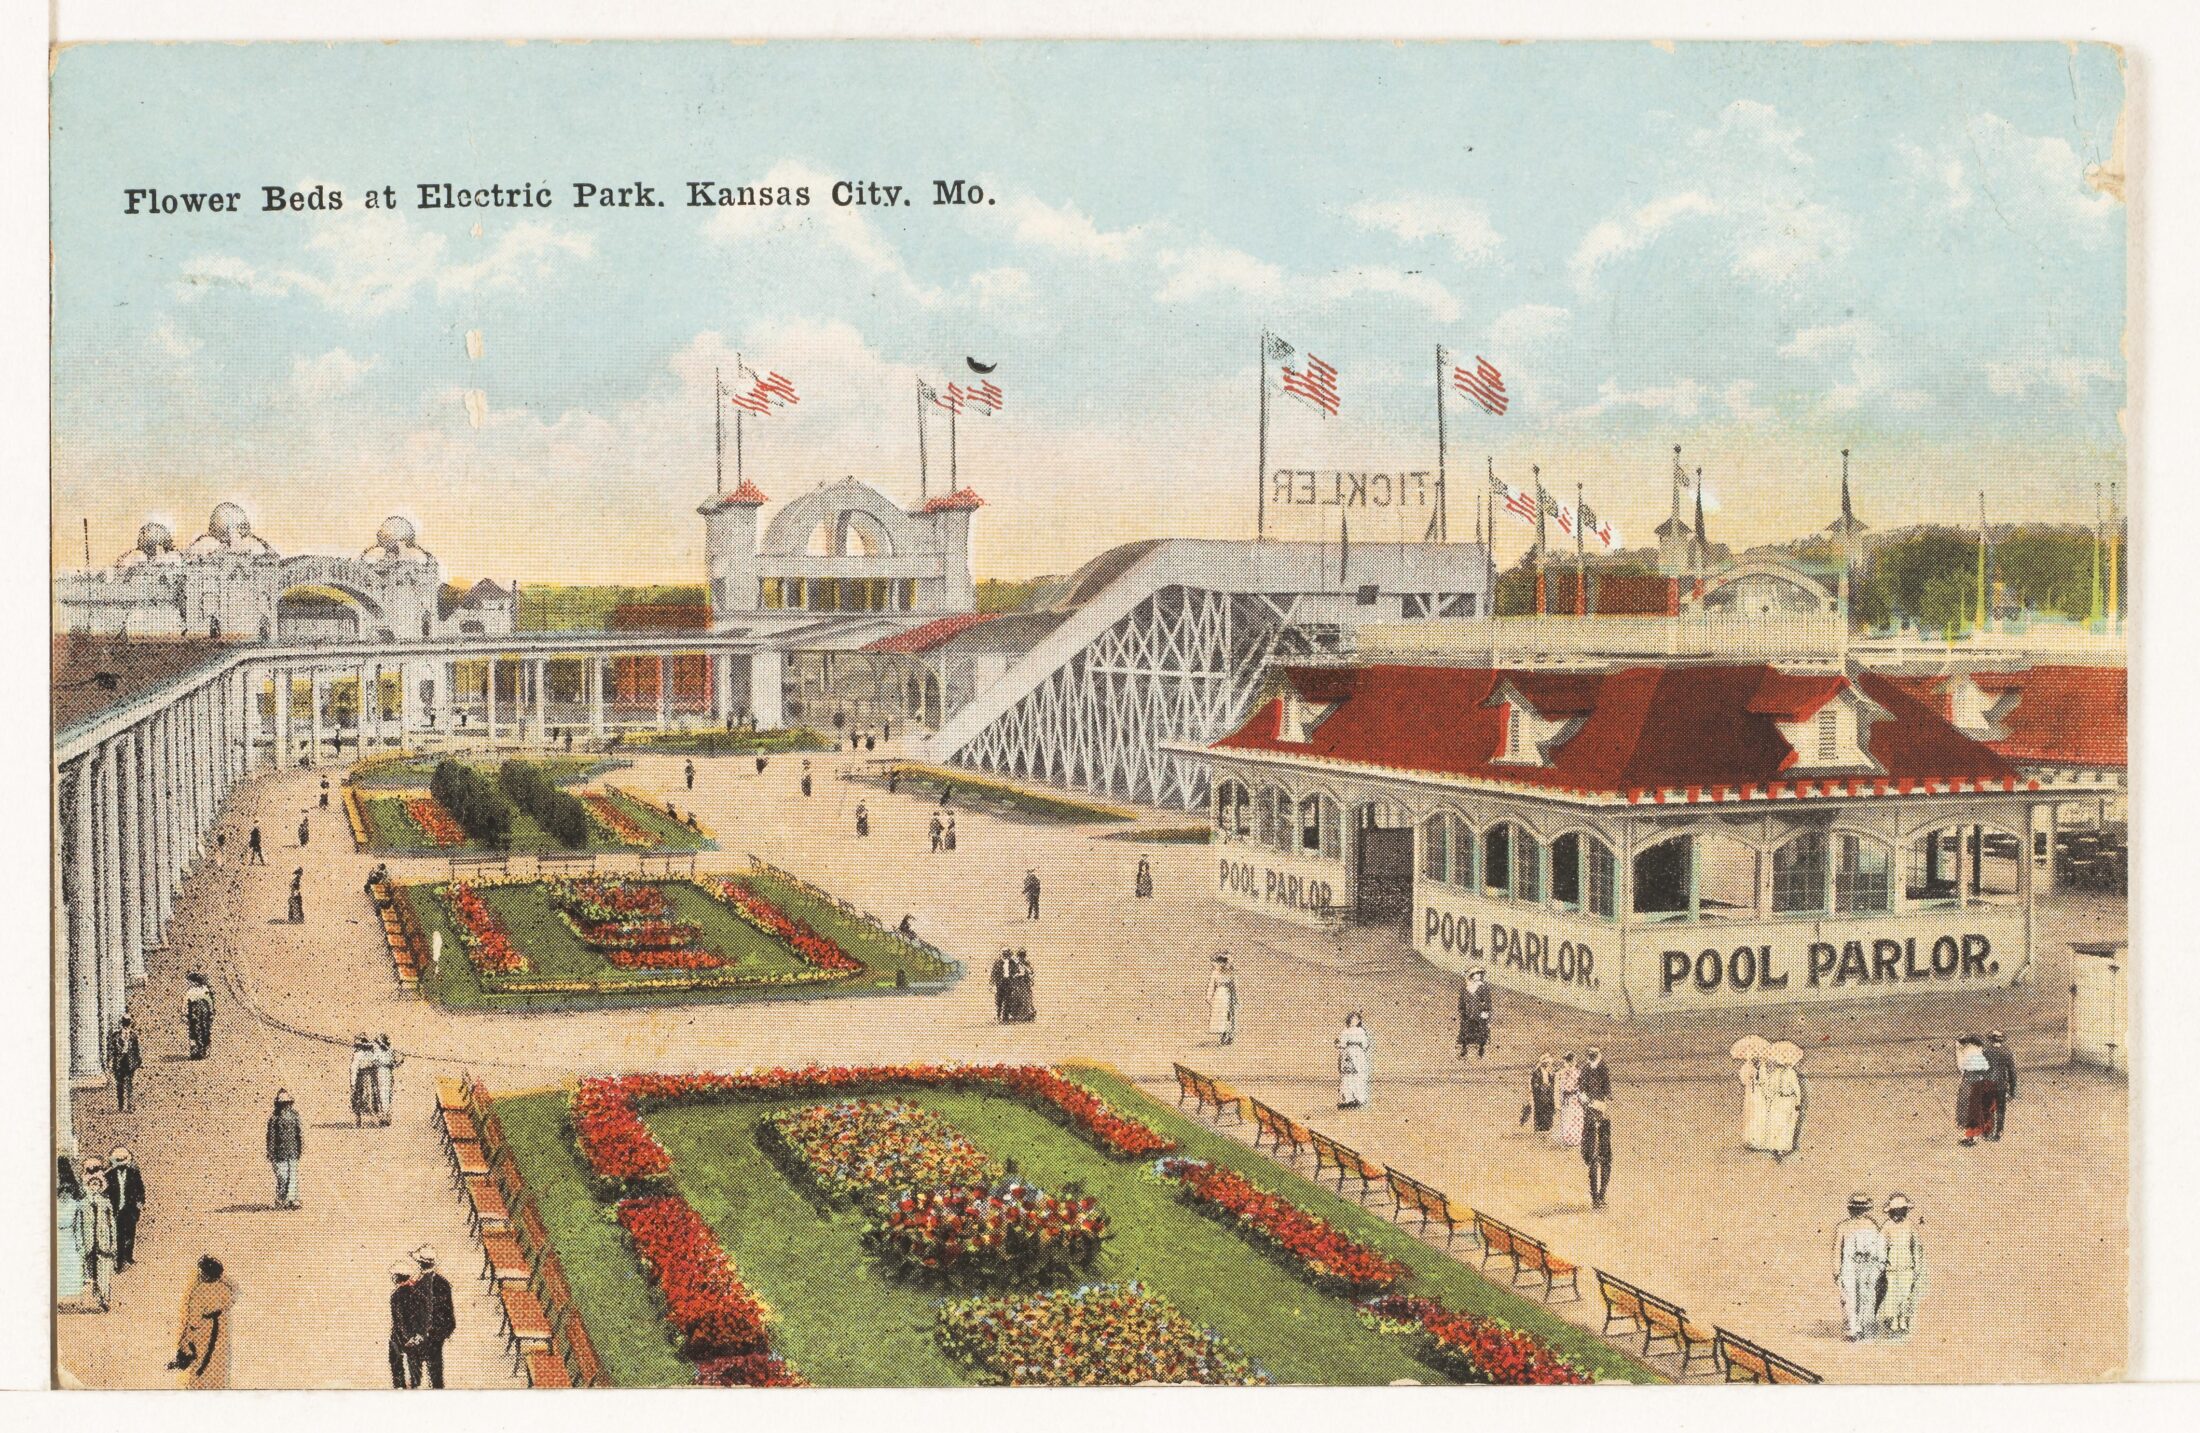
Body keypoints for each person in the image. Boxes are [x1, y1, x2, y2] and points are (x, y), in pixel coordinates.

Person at [171, 1255, 236, 1388]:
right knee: (218, 1362)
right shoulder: (225, 1289)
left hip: (203, 1332)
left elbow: (193, 1321)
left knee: (200, 1365)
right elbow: (230, 1300)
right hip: (220, 1331)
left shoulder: (198, 1292)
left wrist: (185, 1341)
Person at [1833, 1194, 1888, 1341]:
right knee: (1849, 1296)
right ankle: (1852, 1329)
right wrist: (1836, 1269)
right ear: (1851, 1209)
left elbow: (1878, 1248)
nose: (1858, 1212)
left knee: (1866, 1296)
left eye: (1861, 1209)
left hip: (1867, 1267)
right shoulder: (1843, 1226)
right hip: (1849, 1266)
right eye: (1856, 1209)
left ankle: (1863, 1326)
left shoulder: (1872, 1225)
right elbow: (1838, 1249)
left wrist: (1879, 1266)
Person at [1879, 1194, 1924, 1336]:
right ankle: (1893, 1321)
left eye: (1901, 1210)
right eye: (1895, 1211)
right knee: (1892, 1294)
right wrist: (1882, 1264)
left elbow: (1916, 1247)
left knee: (1905, 1295)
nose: (1898, 1213)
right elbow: (1881, 1248)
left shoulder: (1910, 1226)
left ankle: (1903, 1319)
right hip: (1891, 1268)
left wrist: (1917, 1266)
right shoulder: (1886, 1227)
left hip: (1907, 1267)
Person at [413, 1246, 457, 1388]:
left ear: (420, 1264)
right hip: (436, 1337)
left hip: (421, 1336)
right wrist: (442, 1334)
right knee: (436, 1374)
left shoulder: (416, 1284)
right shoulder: (443, 1283)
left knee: (417, 1374)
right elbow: (449, 1315)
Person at [77, 1173, 118, 1311]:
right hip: (88, 1244)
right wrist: (80, 1245)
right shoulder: (82, 1204)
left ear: (101, 1186)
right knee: (88, 1274)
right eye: (92, 1184)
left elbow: (111, 1224)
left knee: (103, 1274)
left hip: (103, 1244)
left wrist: (113, 1244)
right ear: (88, 1186)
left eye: (97, 1184)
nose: (95, 1187)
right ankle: (90, 1302)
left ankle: (104, 1300)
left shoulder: (105, 1202)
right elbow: (78, 1225)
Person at [1761, 1043, 1806, 1160]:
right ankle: (1778, 1147)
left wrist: (1797, 1102)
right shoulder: (1784, 1073)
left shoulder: (1786, 1073)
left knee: (1783, 1123)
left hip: (1785, 1100)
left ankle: (1781, 1147)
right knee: (1780, 1123)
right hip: (1782, 1100)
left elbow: (1796, 1089)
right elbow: (1795, 1089)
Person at [107, 1147, 147, 1269]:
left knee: (130, 1234)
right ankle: (119, 1262)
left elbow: (141, 1190)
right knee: (118, 1236)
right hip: (116, 1210)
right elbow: (106, 1193)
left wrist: (139, 1203)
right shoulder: (109, 1175)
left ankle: (128, 1257)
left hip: (130, 1210)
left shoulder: (134, 1173)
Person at [388, 1261, 426, 1387]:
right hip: (416, 1337)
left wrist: (406, 1337)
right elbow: (424, 1317)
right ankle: (415, 1385)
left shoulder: (395, 1296)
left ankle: (399, 1386)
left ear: (397, 1278)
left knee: (395, 1362)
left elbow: (399, 1320)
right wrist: (418, 1335)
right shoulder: (418, 1294)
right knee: (415, 1365)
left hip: (401, 1337)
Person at [266, 1090, 304, 1208]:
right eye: (282, 1103)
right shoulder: (274, 1119)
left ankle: (292, 1200)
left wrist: (300, 1147)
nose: (285, 1106)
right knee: (283, 1177)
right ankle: (281, 1199)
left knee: (292, 1176)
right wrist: (270, 1152)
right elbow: (271, 1137)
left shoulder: (295, 1116)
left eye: (286, 1103)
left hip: (292, 1151)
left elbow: (299, 1133)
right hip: (279, 1153)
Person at [57, 1155, 86, 1306]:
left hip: (69, 1235)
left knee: (71, 1264)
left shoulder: (74, 1202)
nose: (64, 1193)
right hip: (58, 1234)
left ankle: (71, 1298)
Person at [1956, 1035, 1994, 1145]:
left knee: (1968, 1108)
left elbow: (1961, 1067)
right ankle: (1986, 1132)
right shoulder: (1980, 1051)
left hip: (1970, 1080)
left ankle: (1972, 1137)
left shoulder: (1963, 1051)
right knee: (1982, 1107)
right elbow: (1986, 1067)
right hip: (1983, 1079)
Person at [1984, 1030, 2017, 1141]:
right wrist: (2012, 1090)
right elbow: (2012, 1072)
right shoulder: (2007, 1052)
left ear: (1990, 1040)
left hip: (1988, 1083)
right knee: (2001, 1109)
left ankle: (1987, 1131)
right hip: (2001, 1084)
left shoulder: (1985, 1051)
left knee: (1988, 1108)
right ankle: (1998, 1132)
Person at [1581, 1094, 1614, 1208]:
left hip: (1602, 1142)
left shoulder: (1605, 1122)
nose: (1597, 1115)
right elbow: (1585, 1143)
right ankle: (1596, 1197)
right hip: (1593, 1144)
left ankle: (1601, 1195)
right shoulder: (1589, 1123)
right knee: (1594, 1165)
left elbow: (1607, 1141)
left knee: (1606, 1164)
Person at [104, 1015, 142, 1113]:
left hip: (129, 1063)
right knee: (119, 1085)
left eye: (128, 1022)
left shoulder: (133, 1035)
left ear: (130, 1023)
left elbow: (136, 1050)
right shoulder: (116, 1035)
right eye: (125, 1022)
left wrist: (137, 1063)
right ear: (122, 1023)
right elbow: (111, 1049)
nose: (126, 1025)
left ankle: (130, 1106)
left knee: (129, 1085)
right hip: (119, 1063)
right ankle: (121, 1106)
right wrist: (110, 1061)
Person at [1335, 1012, 1372, 1108]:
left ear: (1359, 1021)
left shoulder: (1361, 1031)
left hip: (1358, 1055)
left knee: (1359, 1075)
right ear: (1349, 1020)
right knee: (1347, 1076)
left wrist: (1358, 1048)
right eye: (1352, 1019)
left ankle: (1359, 1099)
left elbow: (1365, 1044)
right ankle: (1347, 1099)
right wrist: (1340, 1046)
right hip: (1347, 1054)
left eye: (1356, 1019)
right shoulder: (1345, 1031)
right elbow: (1342, 1044)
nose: (1353, 1021)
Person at [1456, 968, 1493, 1059]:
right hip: (1468, 1013)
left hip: (1479, 1013)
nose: (1479, 975)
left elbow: (1487, 1001)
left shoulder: (1484, 987)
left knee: (1481, 1031)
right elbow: (1461, 1001)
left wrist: (1486, 1011)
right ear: (1472, 975)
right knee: (1465, 1031)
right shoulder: (1465, 987)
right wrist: (1462, 1011)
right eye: (1477, 973)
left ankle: (1481, 1050)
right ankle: (1464, 1051)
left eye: (1480, 974)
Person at [1552, 1053, 1585, 1146]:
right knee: (1567, 1118)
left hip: (1575, 1098)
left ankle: (1576, 1139)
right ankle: (1567, 1139)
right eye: (1568, 1061)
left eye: (1572, 1061)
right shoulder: (1560, 1073)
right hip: (1566, 1099)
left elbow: (1581, 1087)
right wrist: (1557, 1103)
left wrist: (1580, 1096)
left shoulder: (1578, 1073)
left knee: (1577, 1117)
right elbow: (1557, 1089)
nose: (1570, 1063)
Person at [1206, 954, 1239, 1045]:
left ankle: (1229, 1035)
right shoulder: (1215, 972)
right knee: (1221, 1016)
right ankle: (1223, 1035)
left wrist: (1235, 998)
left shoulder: (1231, 973)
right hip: (1219, 996)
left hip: (1228, 996)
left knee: (1228, 1015)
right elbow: (1211, 985)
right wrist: (1209, 996)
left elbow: (1234, 987)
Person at [350, 1035, 379, 1126]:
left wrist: (353, 1082)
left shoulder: (358, 1054)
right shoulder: (371, 1053)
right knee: (370, 1098)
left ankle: (360, 1121)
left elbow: (354, 1068)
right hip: (369, 1077)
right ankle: (373, 1121)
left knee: (360, 1098)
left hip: (362, 1077)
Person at [373, 1034, 403, 1126]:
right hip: (381, 1073)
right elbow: (374, 1062)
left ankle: (385, 1118)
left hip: (386, 1073)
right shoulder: (381, 1050)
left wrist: (395, 1065)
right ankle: (383, 1118)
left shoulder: (390, 1050)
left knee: (386, 1095)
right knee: (381, 1095)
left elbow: (400, 1059)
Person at [184, 973, 215, 1059]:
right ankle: (199, 1051)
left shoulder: (193, 991)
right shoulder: (202, 989)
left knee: (198, 1031)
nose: (188, 983)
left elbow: (186, 1003)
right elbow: (210, 1002)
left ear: (194, 982)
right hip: (199, 1014)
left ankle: (199, 1051)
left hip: (199, 1014)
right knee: (200, 1031)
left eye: (189, 982)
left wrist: (184, 1014)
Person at [1524, 1053, 1558, 1131]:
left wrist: (1549, 1087)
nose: (1549, 1064)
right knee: (1540, 1110)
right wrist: (1541, 1087)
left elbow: (1553, 1083)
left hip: (1548, 1095)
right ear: (1544, 1063)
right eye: (1547, 1063)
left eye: (1549, 1063)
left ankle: (1548, 1126)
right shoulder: (1537, 1072)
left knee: (1548, 1110)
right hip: (1540, 1095)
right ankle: (1539, 1127)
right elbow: (1534, 1084)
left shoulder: (1550, 1072)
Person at [1005, 949, 1038, 1022]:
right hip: (1018, 984)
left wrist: (1030, 978)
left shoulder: (1027, 963)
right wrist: (1016, 976)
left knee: (1027, 999)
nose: (1021, 958)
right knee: (1017, 999)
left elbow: (1031, 972)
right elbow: (1012, 973)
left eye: (1023, 956)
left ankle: (1028, 1014)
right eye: (1020, 956)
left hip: (1025, 984)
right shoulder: (1016, 963)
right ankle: (1018, 1015)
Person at [990, 948, 1014, 1023]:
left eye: (1007, 953)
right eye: (1004, 953)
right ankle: (998, 1016)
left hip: (1009, 983)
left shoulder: (1012, 962)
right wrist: (992, 984)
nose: (1005, 954)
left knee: (1008, 1000)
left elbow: (1015, 971)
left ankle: (1005, 1018)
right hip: (999, 983)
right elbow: (993, 974)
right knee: (999, 1000)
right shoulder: (997, 962)